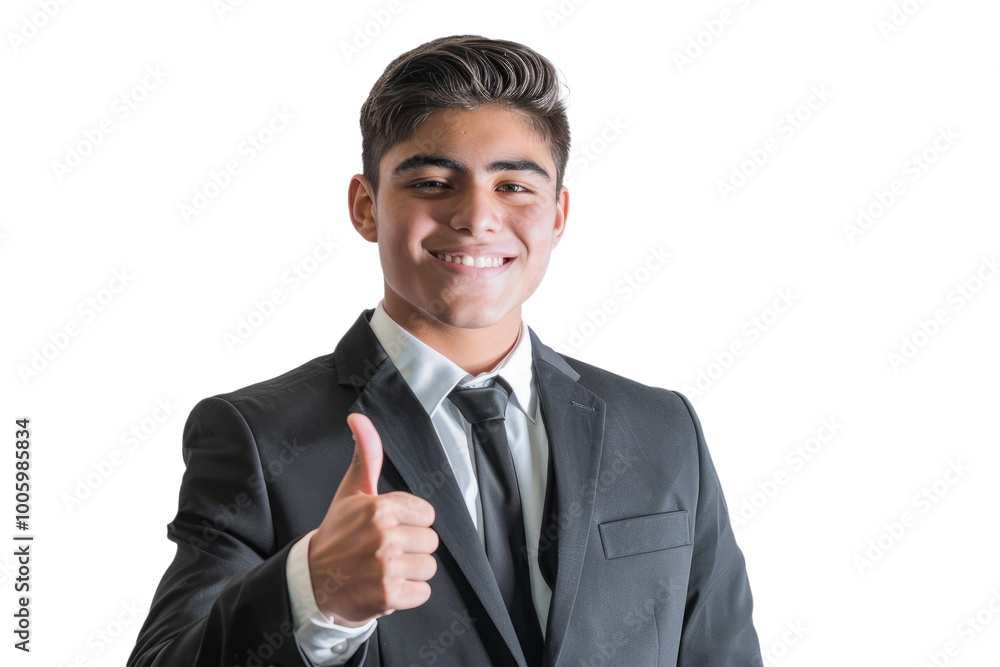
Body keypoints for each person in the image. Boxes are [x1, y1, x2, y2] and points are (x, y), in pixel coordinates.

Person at [128, 34, 763, 667]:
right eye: (433, 182)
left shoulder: (660, 429)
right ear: (366, 207)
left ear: (558, 216)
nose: (477, 217)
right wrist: (313, 593)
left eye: (514, 186)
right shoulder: (259, 438)